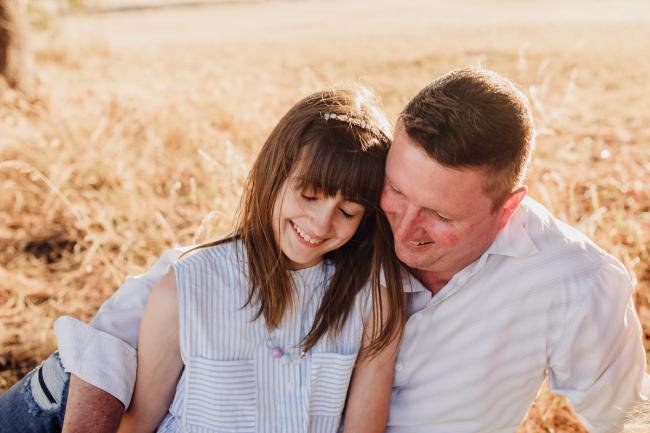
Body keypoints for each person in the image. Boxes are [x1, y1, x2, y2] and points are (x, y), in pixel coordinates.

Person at [2, 67, 647, 433]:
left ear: (509, 207)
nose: (402, 229)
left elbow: (627, 417)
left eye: (440, 217)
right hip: (74, 400)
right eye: (395, 192)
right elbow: (168, 300)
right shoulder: (352, 216)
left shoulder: (571, 284)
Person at [0, 88, 405, 433]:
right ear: (273, 175)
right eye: (310, 196)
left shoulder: (373, 304)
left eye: (348, 212)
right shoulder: (189, 285)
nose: (321, 223)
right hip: (49, 400)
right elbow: (138, 425)